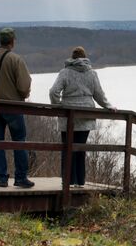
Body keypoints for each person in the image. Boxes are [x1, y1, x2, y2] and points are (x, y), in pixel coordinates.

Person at [49, 46, 115, 188]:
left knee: (67, 148)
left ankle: (68, 180)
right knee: (80, 148)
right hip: (86, 114)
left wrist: (58, 105)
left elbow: (53, 91)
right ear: (85, 57)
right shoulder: (92, 73)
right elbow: (99, 94)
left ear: (71, 58)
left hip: (67, 115)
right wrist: (108, 106)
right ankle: (80, 181)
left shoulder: (65, 72)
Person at [0, 28, 34, 188]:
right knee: (19, 141)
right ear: (12, 41)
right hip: (13, 107)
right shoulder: (16, 60)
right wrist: (23, 94)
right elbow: (23, 87)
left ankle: (2, 178)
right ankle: (21, 177)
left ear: (0, 41)